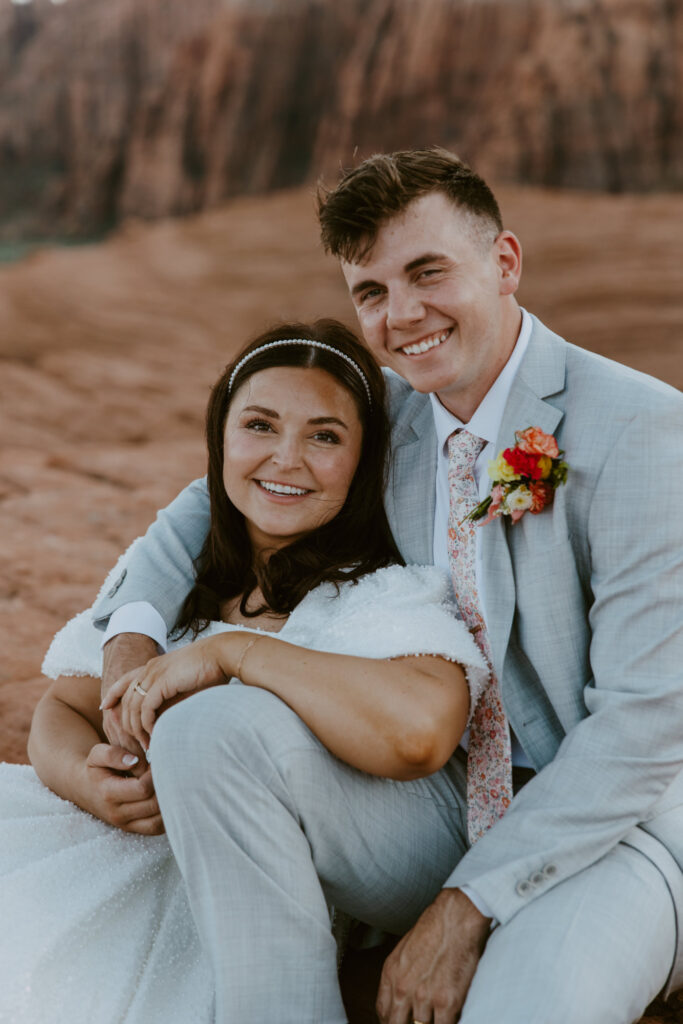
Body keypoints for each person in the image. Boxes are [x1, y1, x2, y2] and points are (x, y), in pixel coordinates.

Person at [93, 149, 683, 1024]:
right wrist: (134, 654)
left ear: (505, 263)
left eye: (427, 272)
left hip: (611, 832)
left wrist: (463, 908)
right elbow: (202, 505)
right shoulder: (386, 414)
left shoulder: (642, 429)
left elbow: (642, 726)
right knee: (210, 729)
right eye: (370, 290)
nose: (402, 315)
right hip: (431, 805)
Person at [0, 319, 489, 1024]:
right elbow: (62, 709)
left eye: (324, 437)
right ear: (219, 441)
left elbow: (420, 733)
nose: (286, 458)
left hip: (267, 883)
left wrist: (239, 656)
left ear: (362, 463)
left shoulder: (374, 591)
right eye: (259, 425)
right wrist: (87, 777)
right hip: (120, 858)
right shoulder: (181, 588)